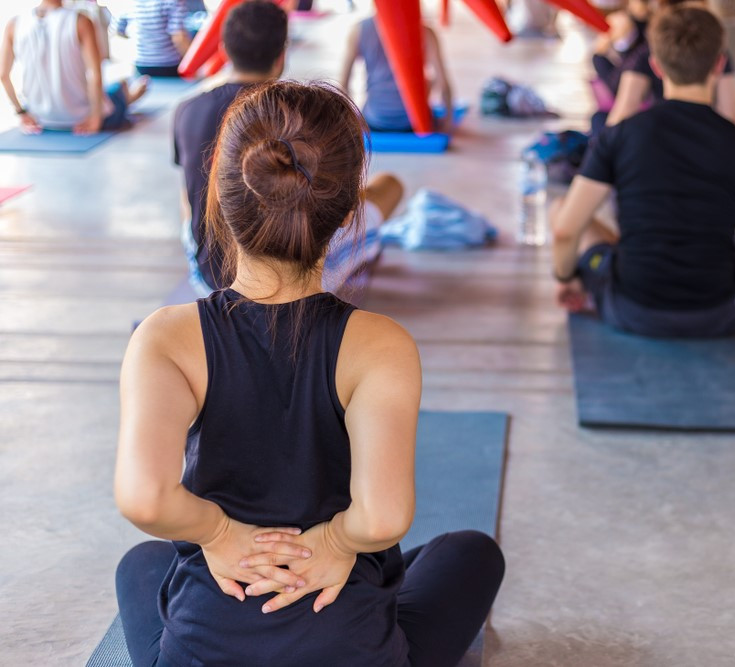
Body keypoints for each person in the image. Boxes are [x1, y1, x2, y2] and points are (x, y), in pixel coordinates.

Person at [115, 79, 505, 666]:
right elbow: (380, 517)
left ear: (217, 196)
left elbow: (146, 499)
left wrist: (220, 534)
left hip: (208, 645)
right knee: (472, 553)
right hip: (347, 647)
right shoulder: (382, 345)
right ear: (349, 212)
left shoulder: (163, 337)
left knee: (142, 564)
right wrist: (335, 541)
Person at [552, 6, 735, 338]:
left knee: (560, 209)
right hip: (721, 310)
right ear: (719, 65)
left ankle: (609, 270)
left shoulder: (619, 137)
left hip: (630, 306)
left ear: (655, 66)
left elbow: (565, 231)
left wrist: (566, 279)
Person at [174, 1, 402, 295]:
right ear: (281, 55)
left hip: (209, 276)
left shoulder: (187, 110)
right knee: (388, 186)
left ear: (225, 49)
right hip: (301, 277)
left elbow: (187, 196)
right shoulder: (299, 113)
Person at [0, 0, 148, 135]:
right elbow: (95, 74)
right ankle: (130, 96)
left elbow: (3, 75)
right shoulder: (81, 21)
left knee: (113, 88)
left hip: (40, 118)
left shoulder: (14, 24)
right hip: (81, 118)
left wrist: (21, 112)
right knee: (118, 87)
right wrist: (96, 117)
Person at [602, 0, 735, 129]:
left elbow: (623, 112)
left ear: (656, 66)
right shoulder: (716, 51)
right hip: (710, 131)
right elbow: (729, 113)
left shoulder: (648, 52)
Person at [340, 15, 454, 133]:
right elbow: (443, 84)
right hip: (414, 124)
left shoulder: (359, 30)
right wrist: (447, 122)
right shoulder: (425, 32)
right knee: (429, 81)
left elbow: (344, 85)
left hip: (375, 120)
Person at [115, 0, 192, 77]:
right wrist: (191, 62)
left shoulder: (126, 2)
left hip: (140, 64)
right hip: (169, 64)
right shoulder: (173, 1)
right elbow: (178, 37)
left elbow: (118, 31)